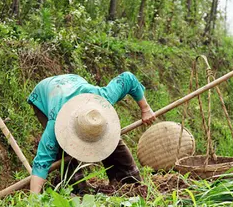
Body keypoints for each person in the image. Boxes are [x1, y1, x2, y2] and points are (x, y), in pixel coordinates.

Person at [27, 72, 156, 194]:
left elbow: (128, 78)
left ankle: (126, 179)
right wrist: (34, 199)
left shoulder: (103, 97)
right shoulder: (56, 122)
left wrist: (145, 108)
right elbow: (42, 161)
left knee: (109, 137)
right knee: (63, 147)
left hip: (73, 82)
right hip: (47, 92)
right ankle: (75, 186)